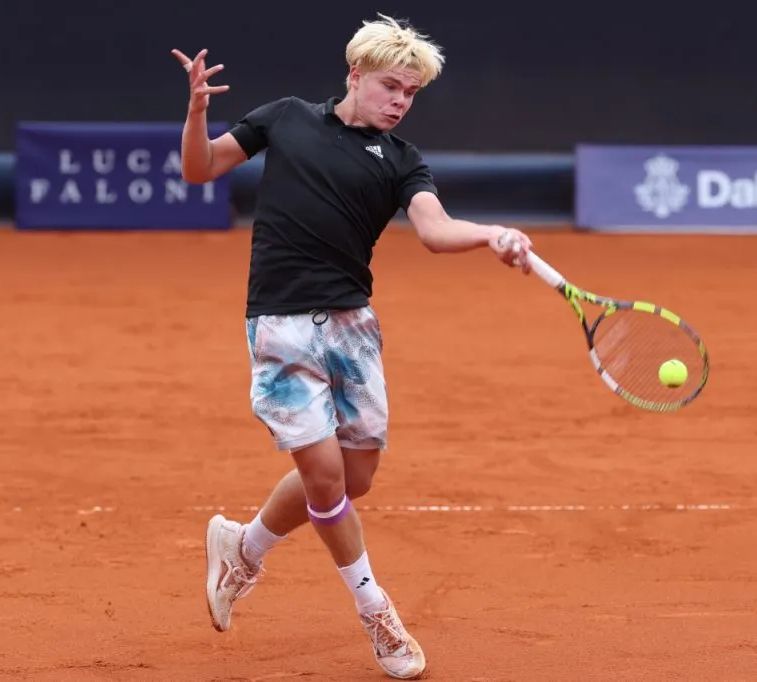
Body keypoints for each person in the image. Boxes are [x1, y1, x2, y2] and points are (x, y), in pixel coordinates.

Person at [172, 13, 533, 681]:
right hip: (280, 329)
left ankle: (241, 549)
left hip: (352, 329)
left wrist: (489, 235)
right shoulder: (284, 119)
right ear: (355, 75)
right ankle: (379, 617)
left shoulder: (402, 161)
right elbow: (199, 169)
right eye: (391, 86)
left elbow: (434, 229)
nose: (400, 101)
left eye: (411, 93)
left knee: (352, 479)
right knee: (326, 479)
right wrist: (195, 114)